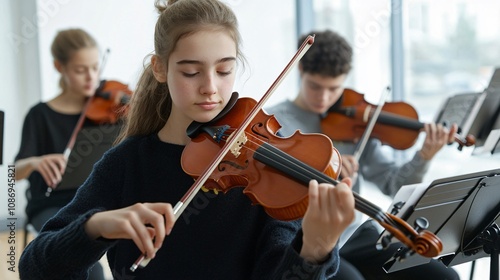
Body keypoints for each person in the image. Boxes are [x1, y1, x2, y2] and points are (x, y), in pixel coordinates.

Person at [19, 1, 356, 279]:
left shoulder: (268, 177)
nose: (210, 86)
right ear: (160, 68)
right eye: (191, 72)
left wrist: (314, 250)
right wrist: (94, 228)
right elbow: (33, 266)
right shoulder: (126, 163)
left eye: (224, 70)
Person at [265, 30, 460, 280]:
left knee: (443, 276)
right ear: (301, 69)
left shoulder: (355, 120)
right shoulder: (273, 122)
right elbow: (270, 190)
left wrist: (424, 156)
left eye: (334, 88)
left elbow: (393, 184)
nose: (323, 98)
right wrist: (324, 167)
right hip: (305, 234)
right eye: (315, 86)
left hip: (355, 231)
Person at [15, 28, 105, 279]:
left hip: (96, 199)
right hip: (51, 203)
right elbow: (14, 173)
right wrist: (35, 162)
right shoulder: (40, 115)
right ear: (59, 67)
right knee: (88, 266)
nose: (92, 77)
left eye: (95, 67)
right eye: (80, 70)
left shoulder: (108, 110)